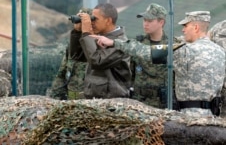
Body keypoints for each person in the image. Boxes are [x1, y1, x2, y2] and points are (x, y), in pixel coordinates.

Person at [91, 11, 225, 116]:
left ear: (196, 27)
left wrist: (114, 42)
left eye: (185, 26)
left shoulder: (185, 51)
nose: (183, 30)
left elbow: (146, 51)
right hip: (212, 117)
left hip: (188, 118)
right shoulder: (221, 52)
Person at [70, 3, 132, 99]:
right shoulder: (98, 37)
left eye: (95, 19)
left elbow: (97, 61)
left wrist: (86, 34)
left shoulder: (121, 43)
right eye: (91, 19)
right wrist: (77, 33)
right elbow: (77, 56)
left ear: (108, 21)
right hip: (94, 98)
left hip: (113, 100)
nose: (92, 22)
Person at [47, 8, 92, 100]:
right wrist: (54, 98)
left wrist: (87, 32)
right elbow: (62, 73)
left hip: (90, 102)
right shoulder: (73, 46)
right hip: (71, 101)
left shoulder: (98, 44)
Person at [131, 3, 170, 108]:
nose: (145, 24)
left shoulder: (171, 45)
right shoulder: (138, 43)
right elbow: (131, 72)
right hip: (139, 102)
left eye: (150, 21)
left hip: (163, 104)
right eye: (144, 20)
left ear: (161, 22)